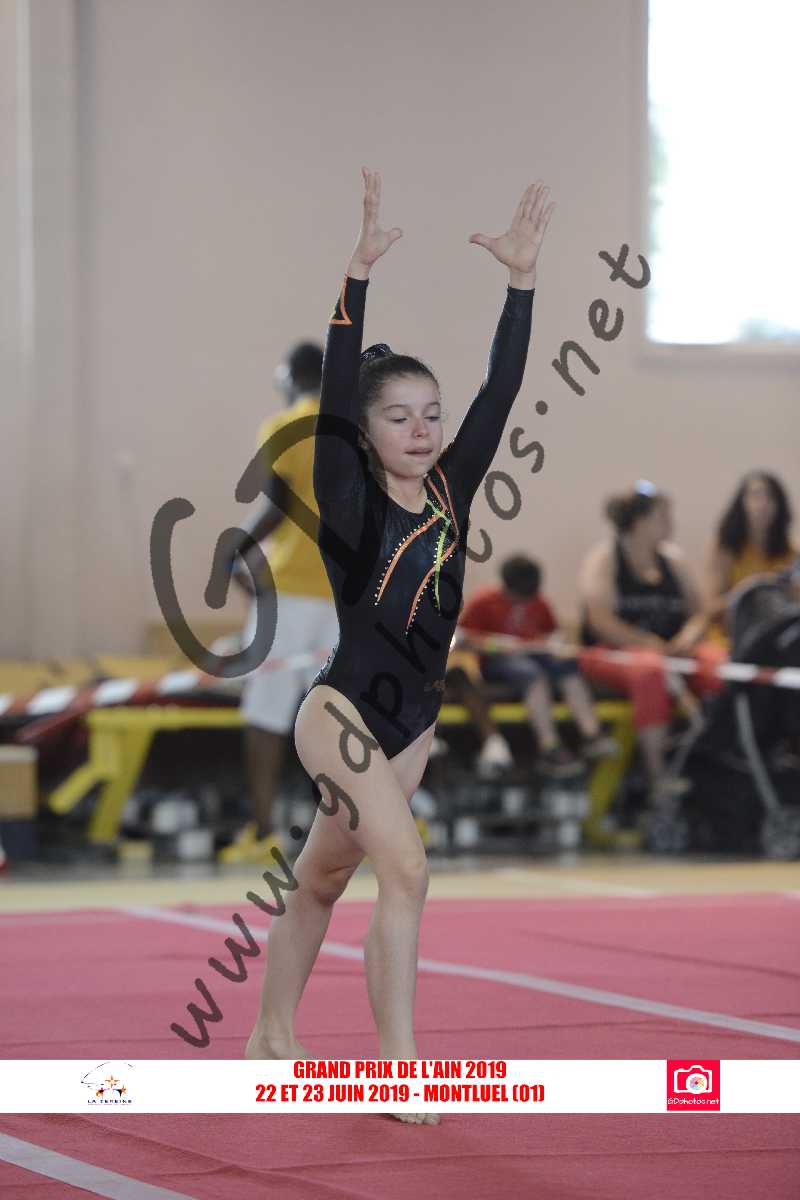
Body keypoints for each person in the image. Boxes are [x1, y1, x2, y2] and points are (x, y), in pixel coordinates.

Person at [245, 168, 555, 1127]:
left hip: (411, 724)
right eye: (397, 416)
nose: (420, 431)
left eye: (431, 414)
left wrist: (521, 285)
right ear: (365, 428)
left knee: (323, 875)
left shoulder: (453, 489)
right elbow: (341, 384)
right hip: (341, 712)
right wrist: (356, 278)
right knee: (408, 870)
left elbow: (503, 389)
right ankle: (397, 1069)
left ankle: (268, 1034)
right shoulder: (348, 499)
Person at [219, 341, 339, 864]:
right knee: (341, 715)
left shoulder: (284, 425)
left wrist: (234, 549)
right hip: (344, 592)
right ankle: (357, 829)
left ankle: (263, 831)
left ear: (290, 378)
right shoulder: (354, 429)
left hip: (288, 589)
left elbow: (278, 502)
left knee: (266, 711)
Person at [578, 482, 724, 805]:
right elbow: (600, 622)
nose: (671, 522)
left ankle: (724, 755)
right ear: (639, 521)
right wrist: (647, 643)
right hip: (614, 652)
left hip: (670, 650)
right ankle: (659, 776)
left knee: (718, 664)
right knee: (650, 670)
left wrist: (687, 637)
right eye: (663, 515)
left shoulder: (673, 560)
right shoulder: (604, 560)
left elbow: (700, 614)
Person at [457, 554, 617, 776]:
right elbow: (462, 639)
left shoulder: (538, 601)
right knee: (531, 673)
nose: (523, 602)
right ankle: (549, 746)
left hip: (535, 655)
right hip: (499, 662)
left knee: (567, 667)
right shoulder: (484, 601)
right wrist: (495, 645)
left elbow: (554, 633)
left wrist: (554, 645)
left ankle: (592, 734)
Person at [704, 471, 797, 645]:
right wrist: (753, 589)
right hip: (730, 639)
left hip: (778, 639)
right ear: (742, 502)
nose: (763, 504)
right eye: (756, 496)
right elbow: (711, 609)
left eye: (770, 497)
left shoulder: (792, 551)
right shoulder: (725, 547)